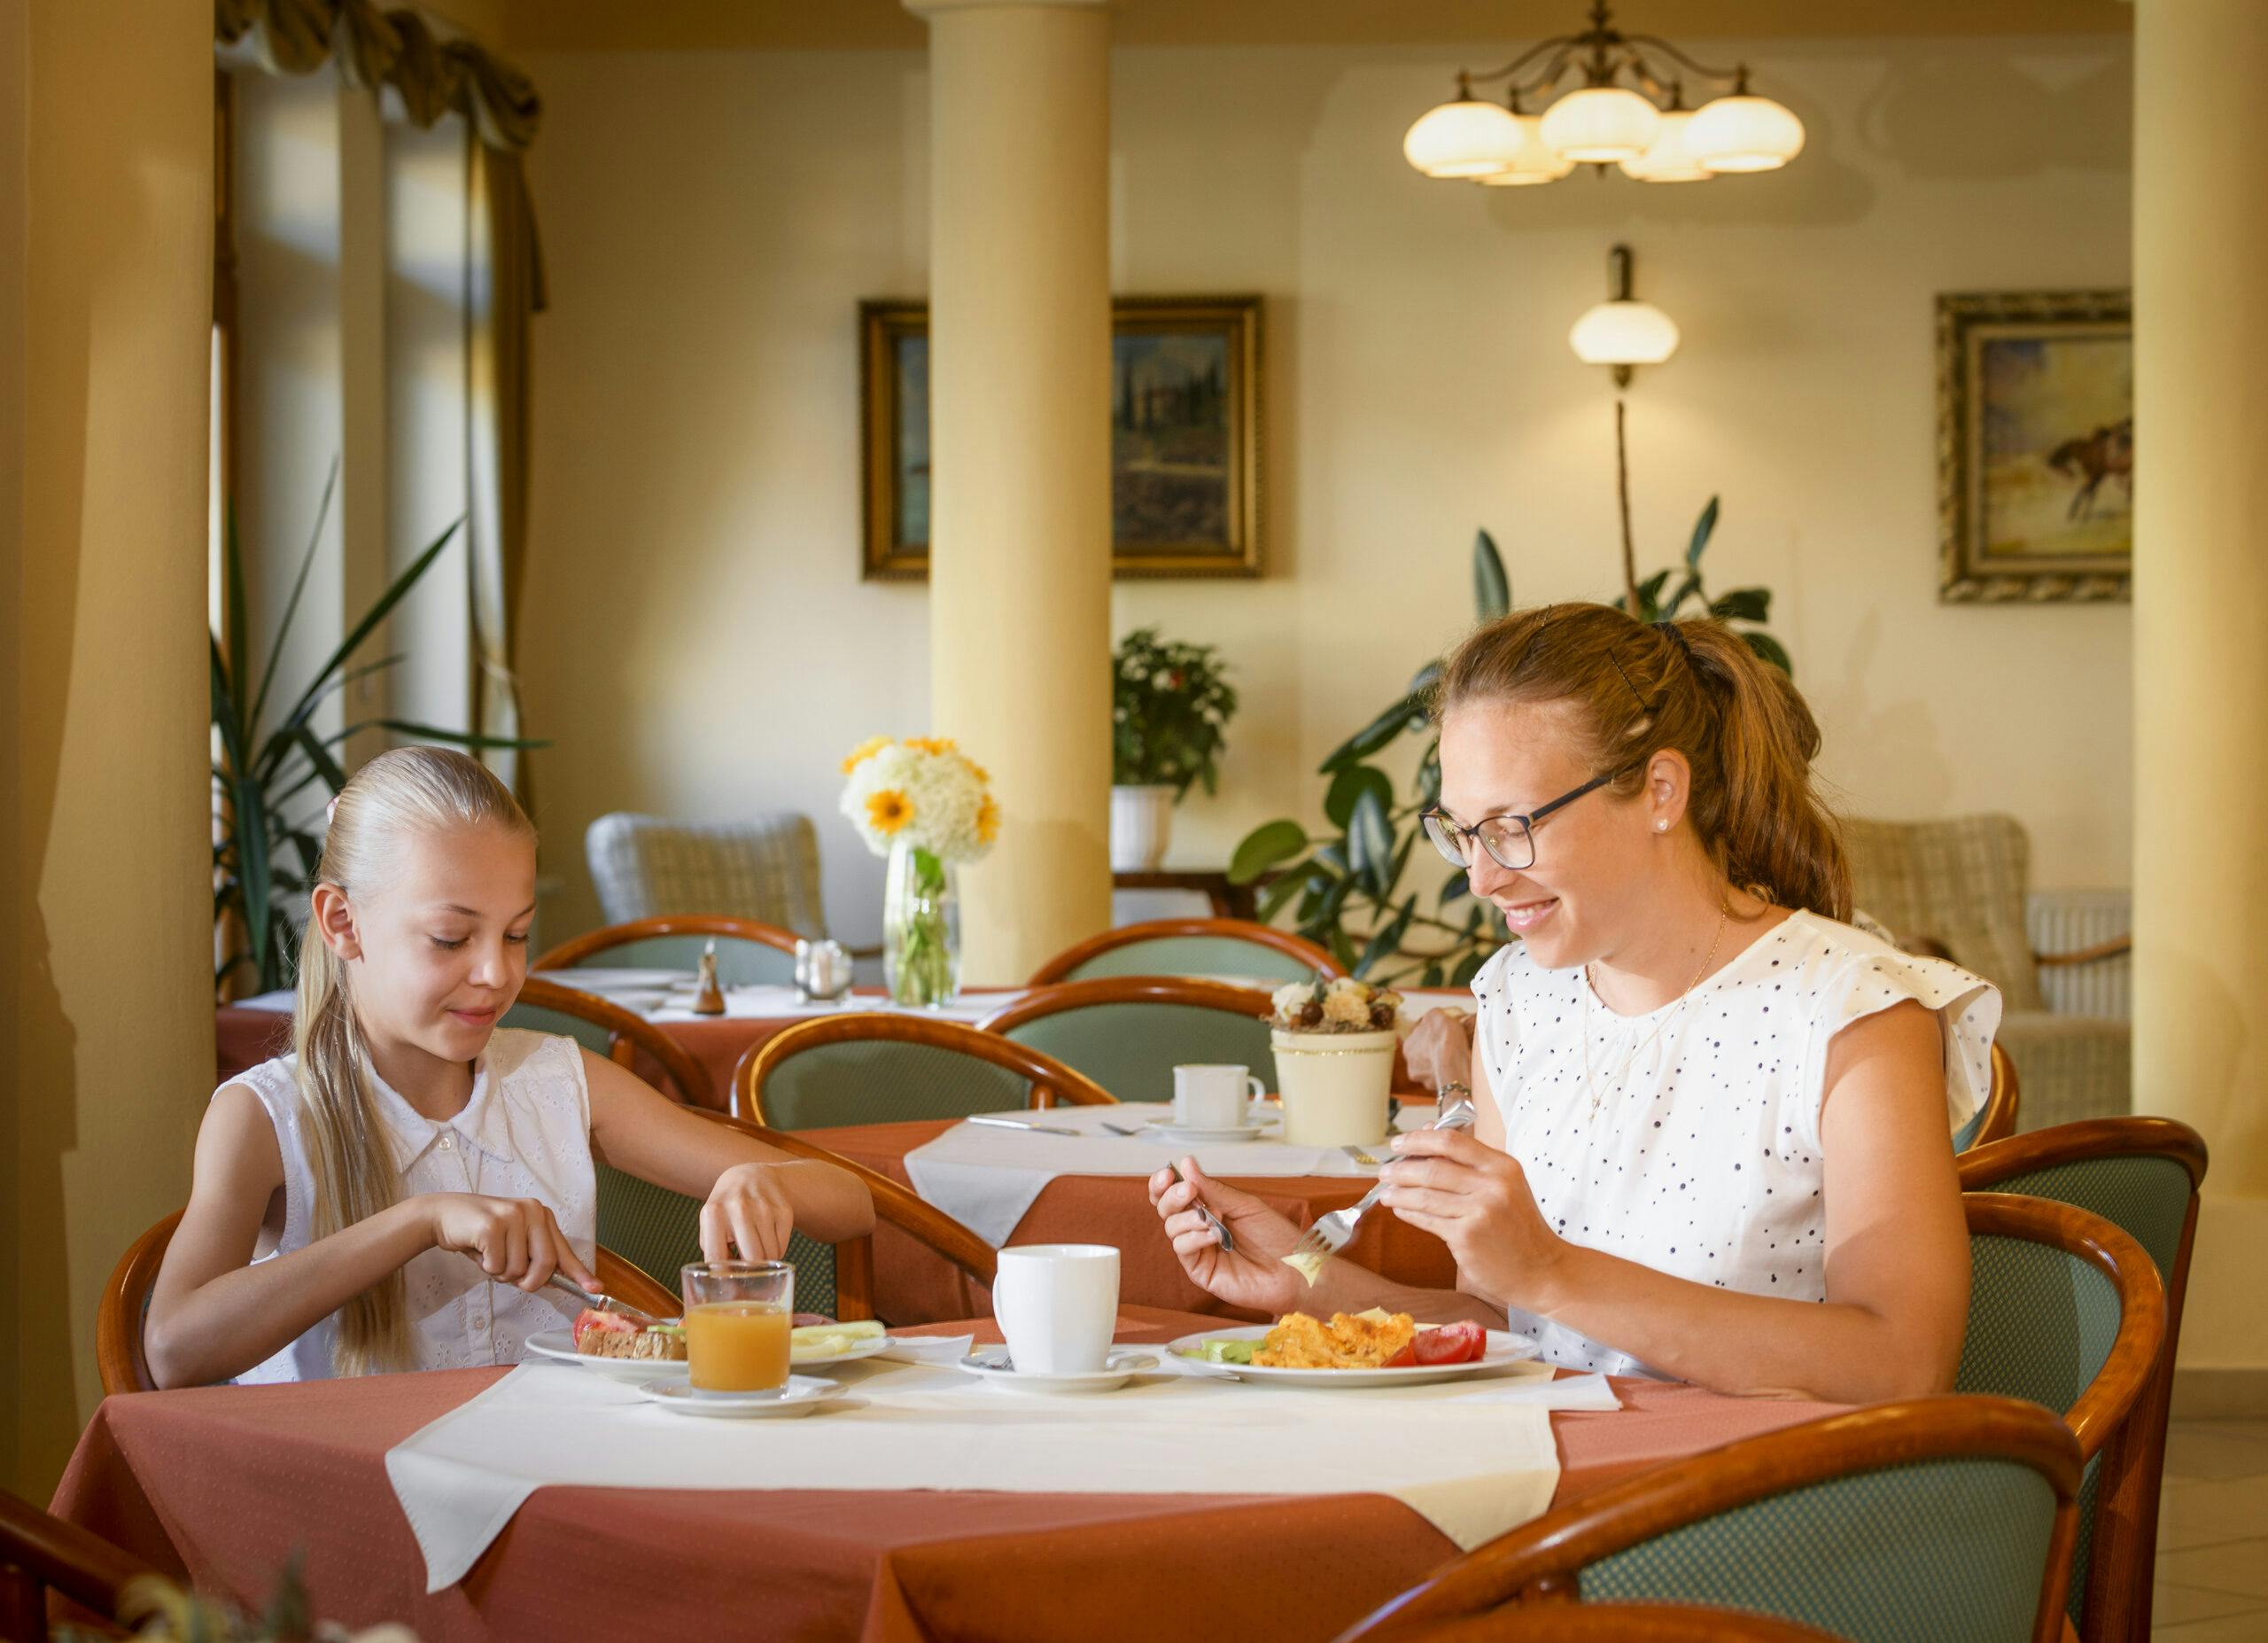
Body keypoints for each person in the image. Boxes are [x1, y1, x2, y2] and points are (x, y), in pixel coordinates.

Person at [1153, 604, 1997, 1404]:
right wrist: (1307, 1280)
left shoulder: (1853, 1010)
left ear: (1661, 792)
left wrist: (1551, 1270)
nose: (1482, 878)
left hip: (1758, 1513)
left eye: (1513, 825)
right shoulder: (1518, 1002)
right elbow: (1519, 1330)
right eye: (1461, 831)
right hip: (1554, 1485)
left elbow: (1901, 1364)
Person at [147, 746, 873, 1386]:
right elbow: (175, 1350)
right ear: (343, 922)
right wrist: (420, 1221)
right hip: (351, 1508)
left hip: (547, 1481)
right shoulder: (265, 1117)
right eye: (450, 938)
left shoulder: (558, 1082)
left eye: (518, 933)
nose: (497, 972)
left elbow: (850, 1202)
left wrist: (760, 1178)